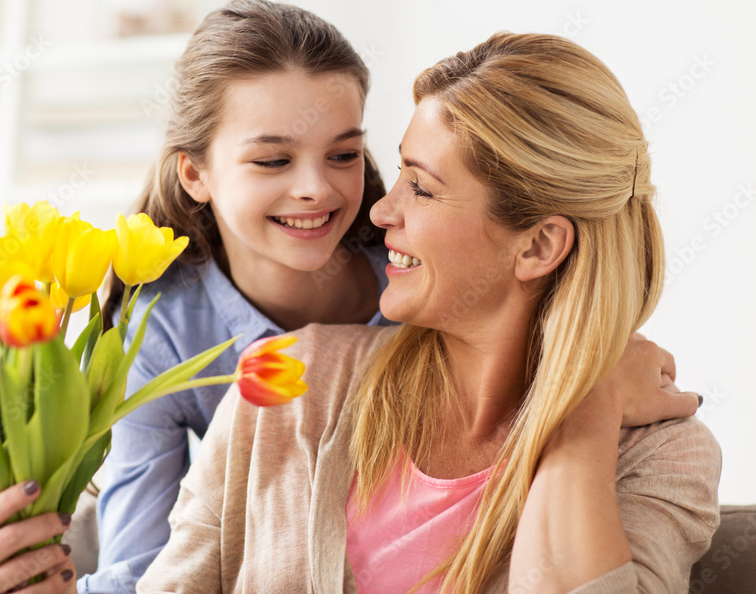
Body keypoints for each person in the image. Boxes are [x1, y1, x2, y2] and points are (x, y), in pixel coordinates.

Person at [136, 32, 722, 593]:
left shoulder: (661, 456)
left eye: (421, 187)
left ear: (538, 246)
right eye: (399, 175)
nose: (381, 211)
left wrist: (584, 407)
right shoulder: (292, 383)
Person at [83, 0, 396, 593]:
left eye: (343, 155)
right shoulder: (162, 329)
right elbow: (138, 566)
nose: (315, 188)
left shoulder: (421, 282)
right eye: (273, 159)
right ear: (195, 175)